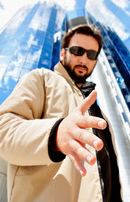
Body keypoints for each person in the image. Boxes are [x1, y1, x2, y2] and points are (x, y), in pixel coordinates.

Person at [0, 25, 122, 202]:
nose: (84, 58)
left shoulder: (100, 115)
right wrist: (54, 134)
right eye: (77, 51)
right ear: (63, 54)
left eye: (91, 54)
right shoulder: (42, 79)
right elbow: (4, 129)